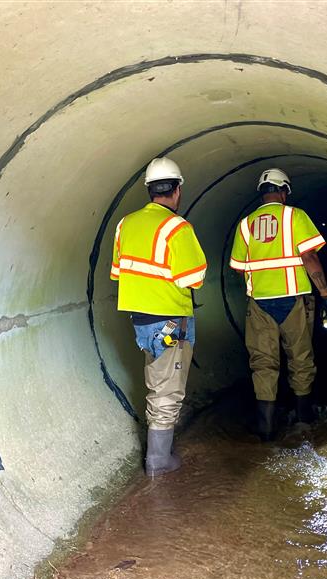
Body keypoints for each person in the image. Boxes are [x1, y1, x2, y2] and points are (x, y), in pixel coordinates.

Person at [110, 157, 207, 476]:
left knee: (157, 382)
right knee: (167, 391)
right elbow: (194, 278)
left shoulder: (125, 224)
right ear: (177, 190)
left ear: (149, 190)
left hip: (141, 321)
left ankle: (158, 455)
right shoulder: (178, 227)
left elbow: (117, 272)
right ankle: (158, 460)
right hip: (171, 321)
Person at [229, 168, 327, 440]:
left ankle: (265, 429)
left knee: (263, 363)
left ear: (262, 193)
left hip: (260, 303)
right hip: (294, 298)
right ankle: (304, 420)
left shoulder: (245, 224)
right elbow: (309, 257)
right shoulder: (294, 216)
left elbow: (238, 267)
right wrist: (324, 293)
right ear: (284, 192)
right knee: (301, 359)